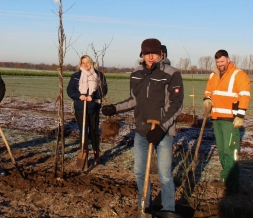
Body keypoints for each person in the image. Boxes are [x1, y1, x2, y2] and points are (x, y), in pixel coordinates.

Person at [102, 38, 184, 214]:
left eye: (154, 53)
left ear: (161, 53)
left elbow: (177, 105)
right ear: (142, 54)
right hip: (141, 131)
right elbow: (134, 100)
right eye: (147, 53)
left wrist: (163, 128)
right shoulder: (136, 74)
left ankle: (168, 209)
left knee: (164, 174)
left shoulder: (171, 73)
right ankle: (144, 206)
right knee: (139, 172)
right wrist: (114, 108)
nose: (150, 57)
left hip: (163, 132)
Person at [203, 49, 250, 194]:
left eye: (222, 61)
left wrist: (240, 115)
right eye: (217, 62)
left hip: (231, 120)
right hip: (216, 118)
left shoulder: (238, 74)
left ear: (228, 60)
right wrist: (207, 99)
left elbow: (245, 95)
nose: (219, 64)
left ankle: (233, 184)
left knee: (230, 150)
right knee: (222, 150)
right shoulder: (213, 75)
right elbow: (208, 91)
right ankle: (225, 179)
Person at [67, 55, 107, 165]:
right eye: (83, 62)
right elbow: (70, 90)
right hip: (80, 108)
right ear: (80, 64)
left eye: (87, 62)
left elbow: (104, 90)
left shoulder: (98, 75)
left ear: (91, 63)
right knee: (83, 131)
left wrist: (93, 96)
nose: (85, 65)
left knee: (94, 131)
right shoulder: (75, 76)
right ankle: (84, 152)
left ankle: (96, 154)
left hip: (93, 107)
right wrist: (78, 96)